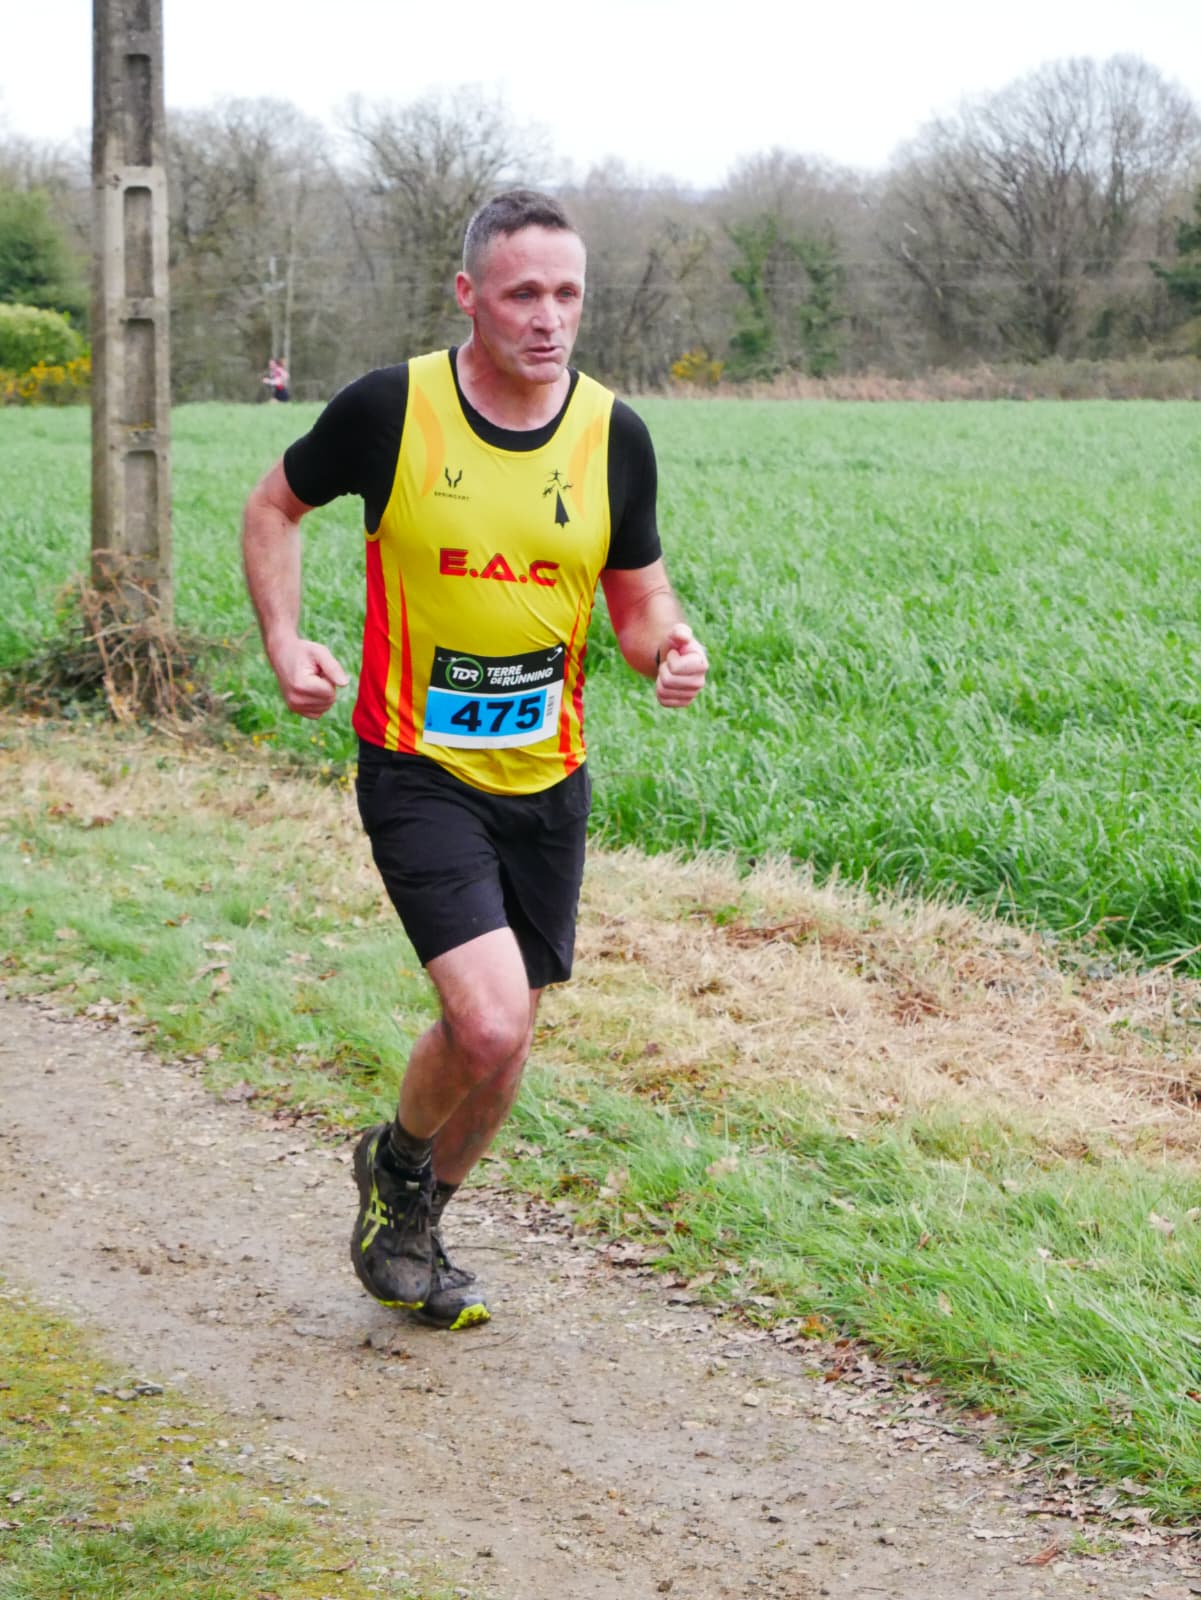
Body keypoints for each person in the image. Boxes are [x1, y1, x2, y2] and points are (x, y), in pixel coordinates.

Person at [241, 188, 708, 1332]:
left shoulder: (612, 434)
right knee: (489, 1020)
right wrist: (284, 642)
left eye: (568, 294)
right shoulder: (391, 409)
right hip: (418, 767)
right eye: (522, 294)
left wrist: (668, 648)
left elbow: (637, 599)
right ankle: (394, 1164)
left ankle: (414, 1223)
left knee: (505, 1047)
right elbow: (273, 508)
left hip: (549, 778)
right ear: (468, 295)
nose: (549, 318)